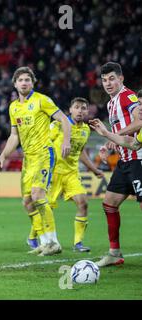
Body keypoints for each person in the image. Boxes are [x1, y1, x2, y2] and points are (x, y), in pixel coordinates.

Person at [0, 66, 71, 256]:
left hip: (44, 154)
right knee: (28, 202)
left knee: (38, 195)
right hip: (28, 159)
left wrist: (66, 141)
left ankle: (54, 241)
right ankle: (45, 243)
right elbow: (14, 136)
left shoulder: (42, 100)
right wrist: (3, 155)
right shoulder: (13, 107)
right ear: (14, 84)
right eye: (20, 80)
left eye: (27, 80)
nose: (24, 83)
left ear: (33, 82)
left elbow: (64, 119)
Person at [88, 62, 142, 267]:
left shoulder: (128, 97)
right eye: (104, 80)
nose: (108, 83)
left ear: (121, 79)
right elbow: (122, 131)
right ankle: (114, 253)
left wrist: (112, 134)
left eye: (112, 78)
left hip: (139, 158)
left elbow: (140, 121)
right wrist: (109, 143)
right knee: (109, 203)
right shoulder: (111, 103)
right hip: (125, 161)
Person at [46, 97, 104, 253]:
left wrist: (94, 169)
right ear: (70, 110)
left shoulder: (85, 130)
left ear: (87, 111)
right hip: (54, 173)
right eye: (77, 107)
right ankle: (36, 239)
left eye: (83, 108)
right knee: (46, 208)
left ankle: (78, 243)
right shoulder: (57, 125)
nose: (80, 110)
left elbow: (81, 152)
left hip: (71, 173)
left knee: (83, 203)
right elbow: (45, 144)